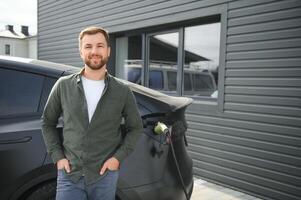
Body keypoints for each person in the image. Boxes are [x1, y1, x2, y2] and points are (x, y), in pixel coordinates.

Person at [41, 26, 143, 200]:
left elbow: (136, 127)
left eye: (100, 46)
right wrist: (58, 157)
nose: (94, 51)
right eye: (88, 46)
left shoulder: (123, 91)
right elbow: (47, 123)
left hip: (104, 177)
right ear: (81, 52)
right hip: (70, 174)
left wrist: (117, 158)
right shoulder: (63, 85)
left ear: (108, 51)